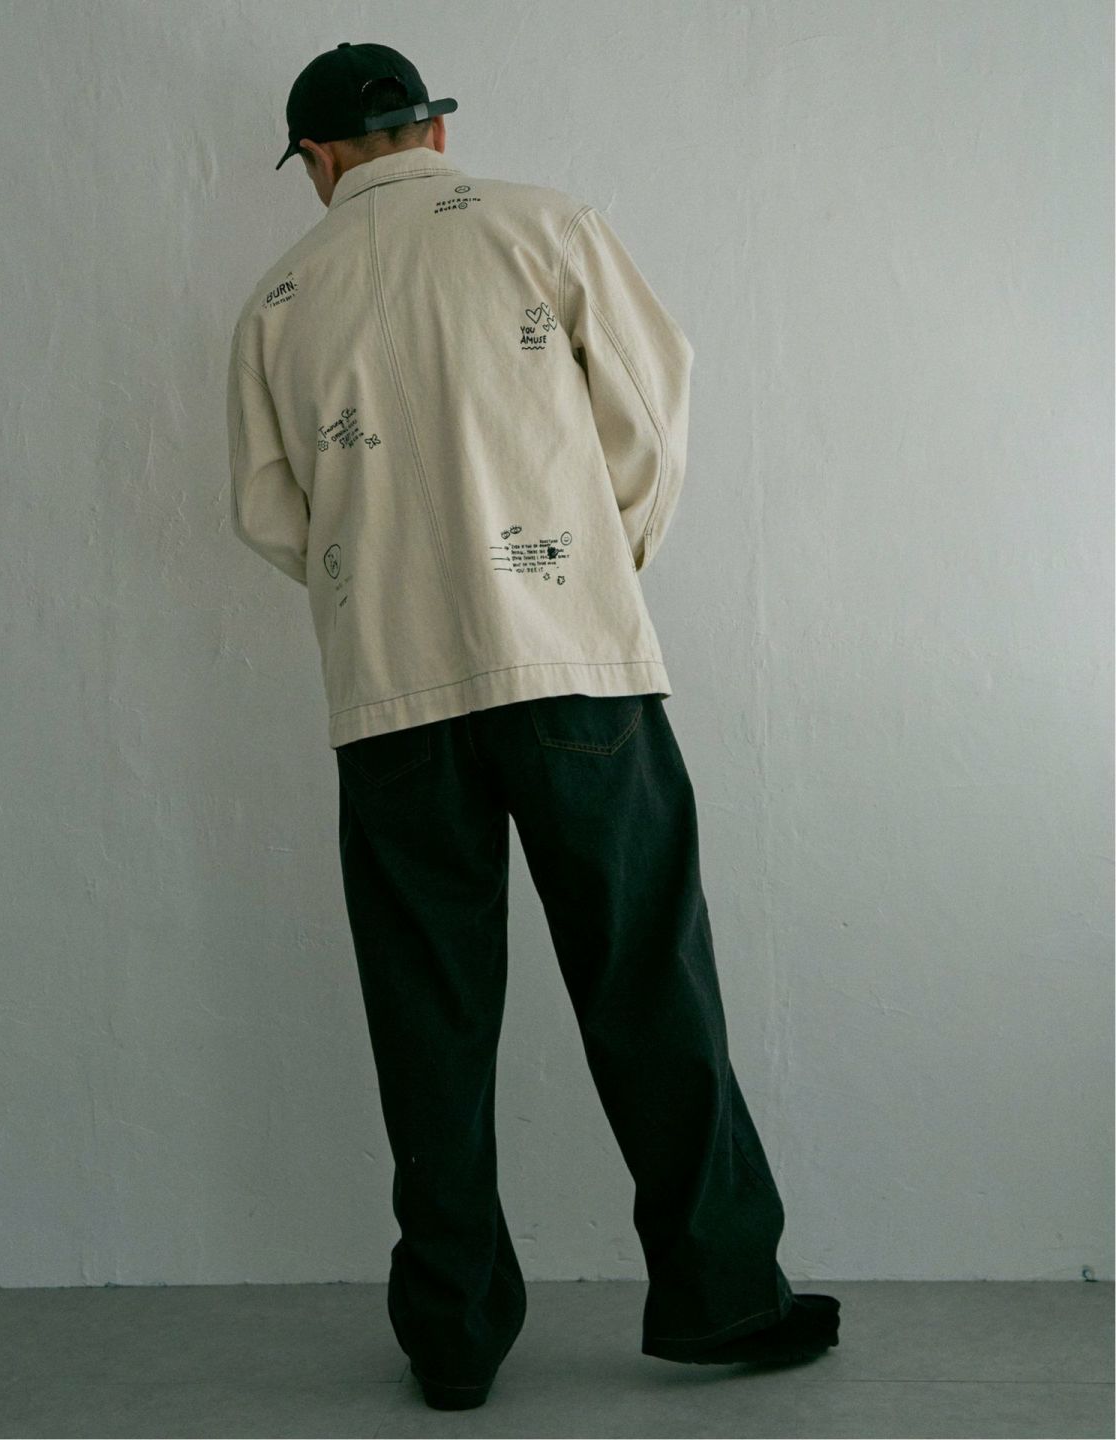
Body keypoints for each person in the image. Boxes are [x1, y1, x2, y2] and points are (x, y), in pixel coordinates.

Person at [227, 40, 840, 1413]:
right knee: (647, 977)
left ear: (317, 159)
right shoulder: (545, 227)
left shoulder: (279, 297)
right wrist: (588, 562)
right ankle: (722, 1295)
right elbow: (650, 414)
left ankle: (452, 1337)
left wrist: (383, 580)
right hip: (573, 667)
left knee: (428, 1017)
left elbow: (271, 511)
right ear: (434, 132)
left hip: (390, 697)